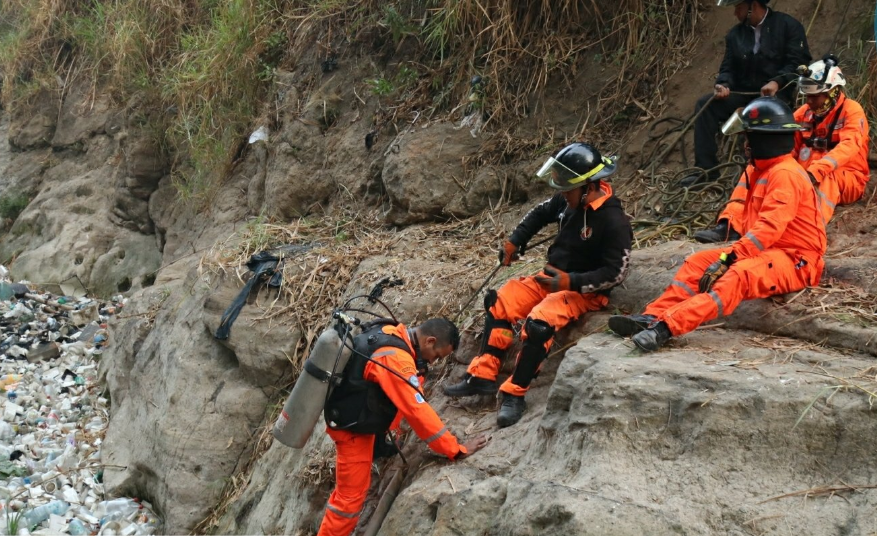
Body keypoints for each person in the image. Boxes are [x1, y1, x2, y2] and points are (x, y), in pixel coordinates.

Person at [611, 97, 826, 350]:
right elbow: (745, 215)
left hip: (797, 260)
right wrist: (727, 248)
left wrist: (730, 258)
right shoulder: (759, 170)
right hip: (767, 252)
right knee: (696, 263)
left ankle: (666, 327)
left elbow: (767, 230)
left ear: (764, 139)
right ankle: (651, 316)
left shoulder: (785, 174)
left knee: (736, 275)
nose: (745, 144)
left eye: (749, 137)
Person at [443, 142, 633, 428]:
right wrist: (515, 240)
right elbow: (539, 214)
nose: (561, 194)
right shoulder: (568, 199)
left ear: (588, 187)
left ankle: (515, 393)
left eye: (567, 189)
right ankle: (482, 375)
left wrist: (571, 281)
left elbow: (616, 273)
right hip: (551, 279)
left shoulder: (613, 221)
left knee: (539, 322)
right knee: (501, 301)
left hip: (583, 292)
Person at [317, 317, 487, 536]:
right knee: (349, 500)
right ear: (429, 340)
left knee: (350, 496)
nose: (434, 362)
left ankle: (380, 446)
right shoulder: (396, 358)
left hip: (356, 416)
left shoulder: (391, 332)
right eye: (437, 355)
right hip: (352, 432)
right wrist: (455, 449)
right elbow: (417, 411)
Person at [695, 55, 870, 243]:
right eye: (807, 96)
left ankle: (805, 232)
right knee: (757, 167)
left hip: (846, 177)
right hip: (804, 176)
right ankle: (730, 225)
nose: (809, 101)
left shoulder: (852, 110)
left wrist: (815, 172)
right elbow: (785, 145)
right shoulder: (804, 114)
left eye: (814, 96)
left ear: (833, 92)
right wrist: (763, 156)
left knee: (827, 177)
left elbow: (849, 146)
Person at [681, 0, 811, 188]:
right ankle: (705, 170)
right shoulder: (735, 35)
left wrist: (777, 81)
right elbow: (728, 67)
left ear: (753, 5)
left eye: (738, 7)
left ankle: (760, 171)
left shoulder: (788, 26)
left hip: (774, 95)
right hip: (744, 93)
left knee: (763, 110)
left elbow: (798, 63)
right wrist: (723, 84)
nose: (735, 13)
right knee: (705, 104)